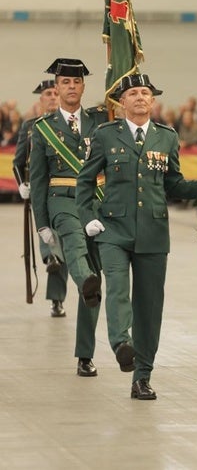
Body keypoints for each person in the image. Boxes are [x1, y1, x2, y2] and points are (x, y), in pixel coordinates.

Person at [77, 73, 197, 400]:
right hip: (113, 230)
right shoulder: (106, 135)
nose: (140, 98)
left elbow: (173, 184)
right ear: (122, 103)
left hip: (153, 232)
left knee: (149, 307)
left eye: (145, 93)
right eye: (133, 93)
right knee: (117, 287)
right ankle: (121, 343)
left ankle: (142, 376)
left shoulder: (166, 137)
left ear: (153, 101)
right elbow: (85, 181)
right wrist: (88, 217)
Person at [29, 58, 106, 376]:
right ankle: (82, 279)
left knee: (96, 282)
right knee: (74, 243)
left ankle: (85, 355)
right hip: (62, 202)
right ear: (56, 88)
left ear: (83, 87)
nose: (71, 87)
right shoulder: (43, 129)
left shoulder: (100, 122)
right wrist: (42, 223)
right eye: (65, 82)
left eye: (76, 82)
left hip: (98, 204)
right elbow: (37, 178)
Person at [14, 79, 68, 317]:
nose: (53, 97)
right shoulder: (30, 126)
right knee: (50, 236)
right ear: (41, 99)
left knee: (63, 245)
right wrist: (21, 185)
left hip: (66, 191)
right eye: (49, 93)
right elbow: (18, 162)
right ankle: (49, 257)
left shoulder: (71, 125)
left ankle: (57, 299)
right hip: (40, 190)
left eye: (56, 92)